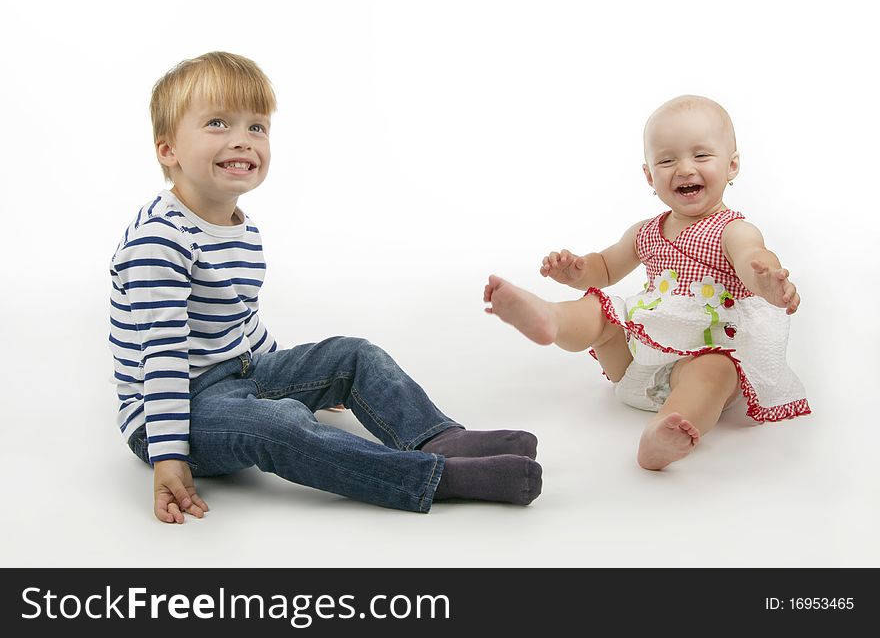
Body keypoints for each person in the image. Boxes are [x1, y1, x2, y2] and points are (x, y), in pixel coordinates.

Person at [109, 52, 542, 523]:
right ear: (167, 149)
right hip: (173, 414)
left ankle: (436, 437)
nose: (243, 140)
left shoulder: (242, 228)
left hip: (237, 373)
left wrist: (304, 379)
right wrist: (169, 455)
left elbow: (240, 322)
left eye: (257, 127)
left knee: (353, 353)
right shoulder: (159, 239)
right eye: (218, 123)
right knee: (280, 424)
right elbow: (164, 355)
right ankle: (432, 476)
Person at [483, 95, 809, 471]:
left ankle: (664, 433)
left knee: (717, 369)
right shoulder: (646, 232)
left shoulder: (732, 230)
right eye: (667, 160)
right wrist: (577, 271)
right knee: (602, 311)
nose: (684, 169)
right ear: (649, 176)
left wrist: (767, 280)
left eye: (701, 156)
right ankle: (551, 319)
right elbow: (604, 268)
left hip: (703, 354)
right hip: (638, 359)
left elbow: (753, 258)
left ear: (732, 165)